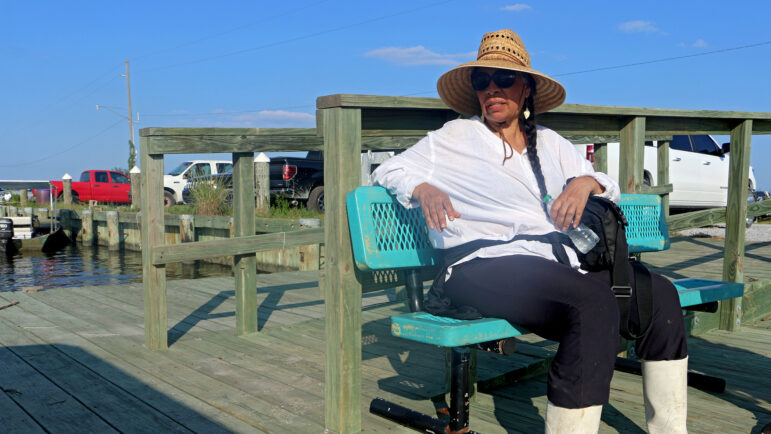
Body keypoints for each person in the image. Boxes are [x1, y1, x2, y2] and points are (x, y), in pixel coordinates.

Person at [371, 29, 688, 433]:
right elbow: (390, 169)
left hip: (549, 265)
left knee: (659, 295)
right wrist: (422, 187)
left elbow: (605, 183)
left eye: (504, 79)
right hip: (479, 265)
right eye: (482, 80)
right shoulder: (454, 137)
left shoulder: (552, 144)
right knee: (590, 302)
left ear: (526, 89)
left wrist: (583, 183)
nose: (492, 89)